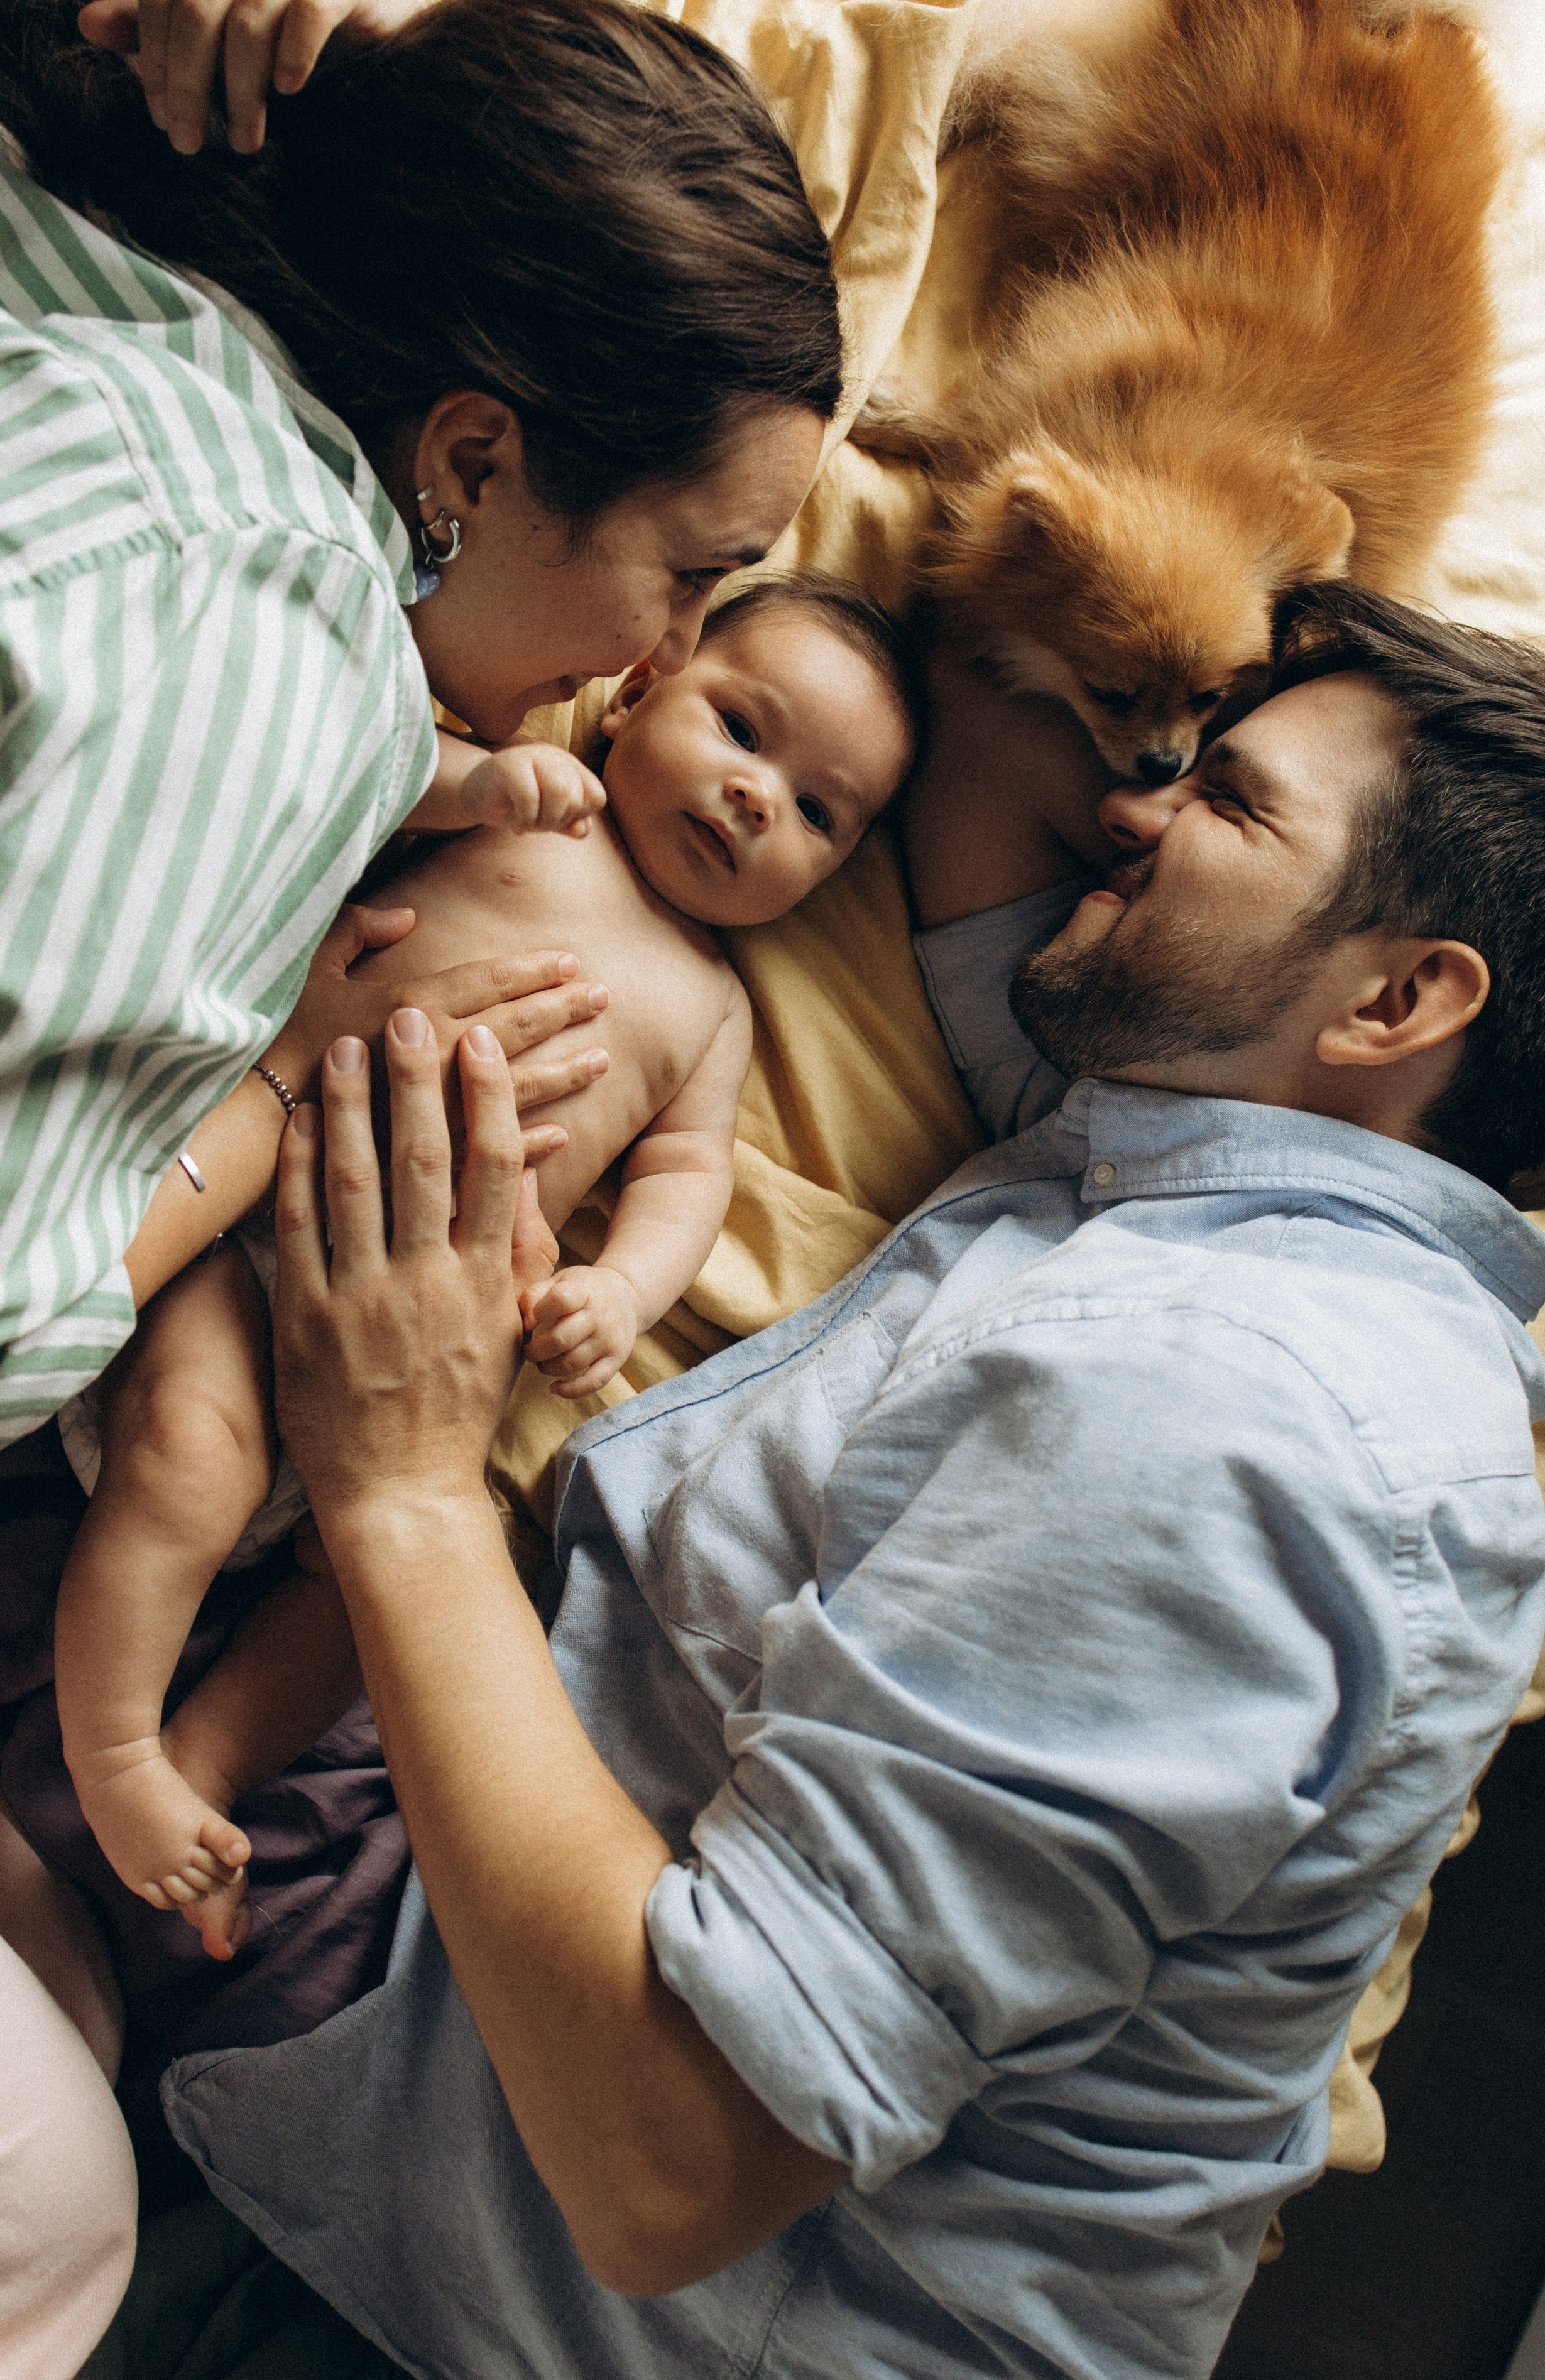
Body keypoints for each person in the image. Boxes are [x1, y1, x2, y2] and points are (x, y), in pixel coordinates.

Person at [160, 584, 1545, 2379]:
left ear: (1394, 1000)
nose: (1130, 806)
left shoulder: (1233, 1411)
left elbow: (672, 2154)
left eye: (1226, 801)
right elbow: (986, 683)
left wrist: (404, 1482)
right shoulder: (1159, 1188)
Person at [0, 0, 846, 2362]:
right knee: (55, 2215)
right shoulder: (281, 657)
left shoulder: (87, 282)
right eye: (692, 577)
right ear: (465, 449)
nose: (662, 658)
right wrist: (275, 1105)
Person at [55, 575, 919, 1959]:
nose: (759, 798)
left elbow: (685, 1181)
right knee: (190, 1457)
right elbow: (362, 790)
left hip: (421, 1388)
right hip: (252, 1239)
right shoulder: (531, 803)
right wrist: (473, 784)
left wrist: (619, 1290)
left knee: (363, 1610)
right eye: (742, 730)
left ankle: (203, 1774)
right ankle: (111, 1752)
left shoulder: (713, 1012)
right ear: (637, 692)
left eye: (821, 813)